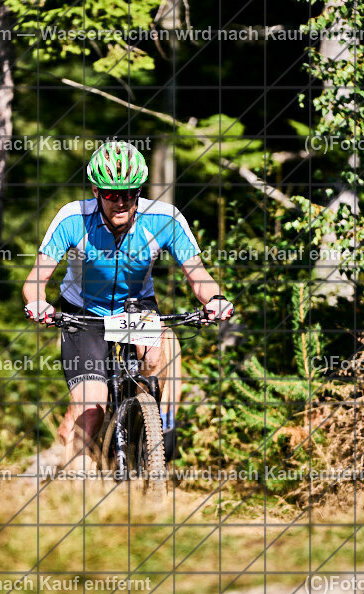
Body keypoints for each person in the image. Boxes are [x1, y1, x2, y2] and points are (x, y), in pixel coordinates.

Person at [22, 140, 234, 470]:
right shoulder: (73, 218)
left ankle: (156, 427)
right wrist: (38, 303)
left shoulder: (164, 219)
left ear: (139, 191)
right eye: (110, 194)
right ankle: (79, 483)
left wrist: (216, 299)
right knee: (91, 405)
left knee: (160, 353)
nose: (120, 202)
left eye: (129, 193)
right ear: (95, 191)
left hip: (134, 309)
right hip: (84, 313)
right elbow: (35, 279)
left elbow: (197, 274)